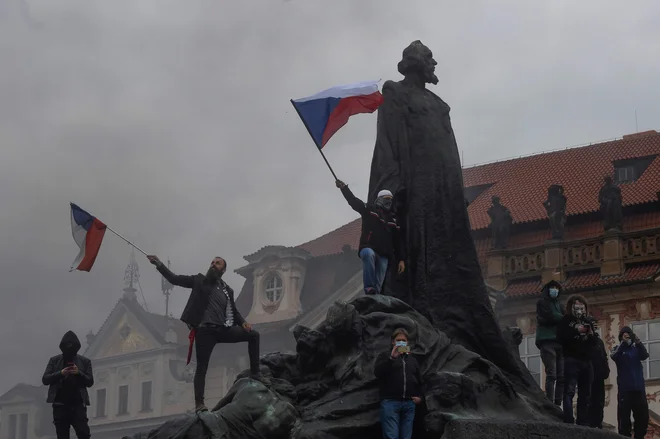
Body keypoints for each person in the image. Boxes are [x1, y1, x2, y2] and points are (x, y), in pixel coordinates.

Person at [147, 255, 261, 412]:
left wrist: (243, 323)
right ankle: (199, 404)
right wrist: (159, 264)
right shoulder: (199, 280)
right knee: (202, 367)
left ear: (223, 269)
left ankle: (256, 374)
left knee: (254, 335)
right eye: (212, 262)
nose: (213, 265)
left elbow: (233, 311)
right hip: (205, 331)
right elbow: (174, 279)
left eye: (218, 263)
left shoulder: (228, 290)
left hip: (224, 329)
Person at [335, 179, 405, 294]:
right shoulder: (369, 210)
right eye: (387, 199)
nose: (389, 203)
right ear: (380, 200)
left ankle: (374, 298)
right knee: (369, 254)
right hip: (368, 247)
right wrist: (344, 189)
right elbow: (354, 202)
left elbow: (398, 242)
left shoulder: (393, 221)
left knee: (379, 282)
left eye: (391, 200)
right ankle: (369, 288)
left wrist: (401, 259)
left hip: (384, 254)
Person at [41, 331, 94, 439]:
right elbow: (45, 379)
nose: (70, 349)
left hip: (78, 405)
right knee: (62, 436)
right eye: (67, 346)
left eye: (72, 346)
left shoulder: (85, 362)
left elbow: (90, 382)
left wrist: (78, 373)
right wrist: (61, 373)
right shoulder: (54, 360)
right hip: (60, 405)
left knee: (84, 434)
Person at [374, 328, 423, 439]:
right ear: (393, 342)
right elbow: (378, 373)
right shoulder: (385, 356)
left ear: (407, 342)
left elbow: (420, 381)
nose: (401, 342)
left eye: (404, 340)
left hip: (409, 404)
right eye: (398, 340)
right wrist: (391, 358)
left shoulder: (412, 360)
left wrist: (420, 397)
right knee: (392, 436)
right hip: (390, 402)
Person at [557, 294, 596, 425]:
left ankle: (582, 421)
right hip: (571, 359)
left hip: (586, 361)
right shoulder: (565, 321)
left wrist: (590, 335)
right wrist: (577, 331)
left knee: (585, 394)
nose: (579, 310)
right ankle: (568, 419)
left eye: (582, 307)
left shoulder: (588, 322)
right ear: (571, 307)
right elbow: (561, 338)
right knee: (569, 391)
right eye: (576, 307)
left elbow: (594, 342)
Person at [611, 326, 649, 438]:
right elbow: (614, 356)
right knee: (624, 418)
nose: (627, 336)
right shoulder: (617, 348)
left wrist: (638, 342)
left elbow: (645, 355)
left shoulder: (636, 349)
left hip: (639, 389)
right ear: (621, 337)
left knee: (643, 417)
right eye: (624, 334)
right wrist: (623, 343)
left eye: (629, 334)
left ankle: (639, 437)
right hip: (625, 390)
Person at [535, 280, 565, 406]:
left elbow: (560, 318)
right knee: (552, 373)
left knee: (561, 375)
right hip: (547, 341)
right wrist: (562, 318)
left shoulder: (560, 304)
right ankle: (550, 403)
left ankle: (558, 403)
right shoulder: (542, 302)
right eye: (552, 288)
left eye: (557, 288)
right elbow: (549, 316)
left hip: (559, 341)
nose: (555, 290)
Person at [588, 320, 610, 428]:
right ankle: (590, 424)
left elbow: (604, 356)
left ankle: (598, 423)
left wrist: (606, 370)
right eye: (593, 324)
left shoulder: (599, 341)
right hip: (589, 376)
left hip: (599, 376)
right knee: (590, 401)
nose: (596, 326)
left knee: (600, 401)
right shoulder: (585, 340)